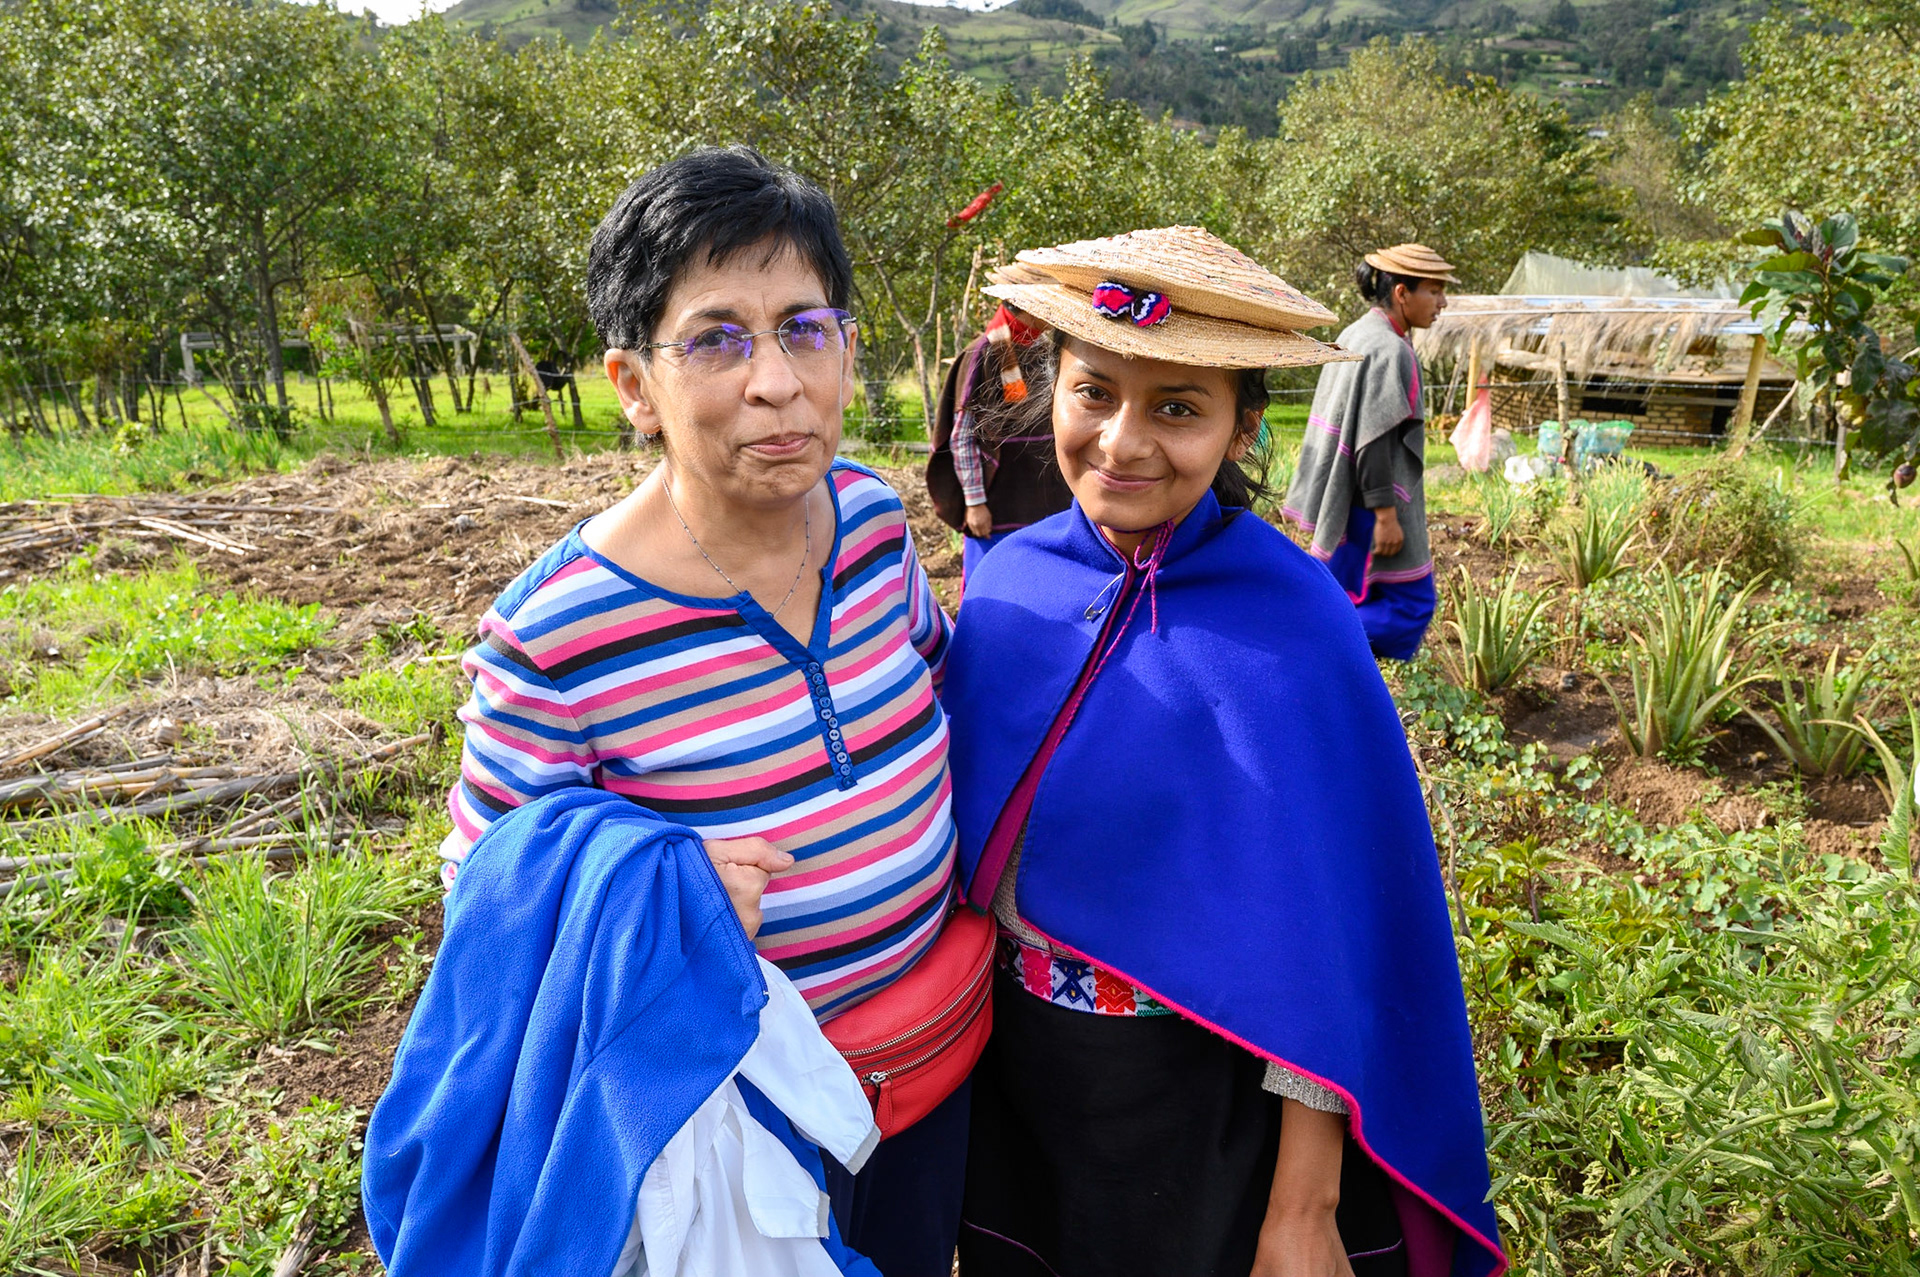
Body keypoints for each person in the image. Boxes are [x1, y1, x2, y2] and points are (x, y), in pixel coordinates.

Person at [439, 146, 967, 1277]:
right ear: (634, 386)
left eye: (804, 329)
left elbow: (937, 683)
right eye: (719, 339)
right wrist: (661, 878)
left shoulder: (874, 520)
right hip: (735, 1134)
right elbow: (490, 908)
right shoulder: (557, 637)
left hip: (929, 1071)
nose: (775, 380)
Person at [941, 227, 1504, 1277]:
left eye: (1178, 408)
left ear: (1243, 428)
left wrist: (1305, 1204)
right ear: (1049, 390)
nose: (1121, 441)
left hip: (1203, 1105)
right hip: (1021, 1089)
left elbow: (1328, 943)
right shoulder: (1010, 583)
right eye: (1093, 391)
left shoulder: (1293, 626)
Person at [1283, 243, 1455, 660]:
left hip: (1344, 495)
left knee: (1337, 593)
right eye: (1433, 291)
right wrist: (1385, 516)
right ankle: (1302, 641)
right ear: (1402, 293)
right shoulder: (1391, 349)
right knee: (1410, 606)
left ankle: (1324, 661)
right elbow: (1373, 439)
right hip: (1366, 505)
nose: (1442, 303)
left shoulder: (1358, 333)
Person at [925, 264, 1074, 581]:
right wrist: (976, 502)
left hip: (1049, 506)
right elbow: (963, 437)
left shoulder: (1049, 348)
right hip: (999, 512)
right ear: (1028, 307)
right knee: (995, 593)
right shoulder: (983, 353)